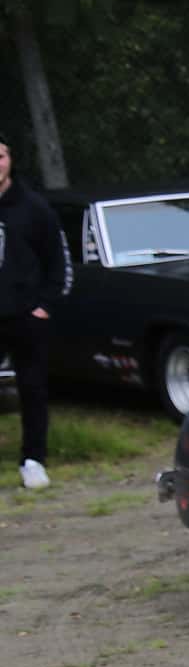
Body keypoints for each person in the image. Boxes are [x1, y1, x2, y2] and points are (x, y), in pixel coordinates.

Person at [0, 133, 70, 490]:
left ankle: (33, 461)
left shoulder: (34, 208)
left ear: (9, 159)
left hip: (26, 315)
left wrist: (44, 306)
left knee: (32, 388)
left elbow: (59, 265)